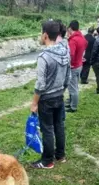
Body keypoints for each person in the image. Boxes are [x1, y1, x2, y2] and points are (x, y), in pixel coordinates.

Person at [30, 21, 70, 169]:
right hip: (59, 96)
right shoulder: (65, 51)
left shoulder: (44, 57)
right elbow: (68, 76)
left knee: (47, 129)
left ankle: (47, 161)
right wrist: (62, 90)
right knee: (59, 126)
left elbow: (40, 84)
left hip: (46, 100)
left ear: (45, 35)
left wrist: (34, 103)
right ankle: (60, 155)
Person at [66, 20, 87, 113]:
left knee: (73, 87)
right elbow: (86, 44)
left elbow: (71, 54)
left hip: (73, 66)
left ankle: (73, 107)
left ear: (70, 28)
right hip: (79, 65)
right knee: (74, 86)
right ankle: (70, 102)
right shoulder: (81, 37)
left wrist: (69, 63)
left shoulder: (73, 40)